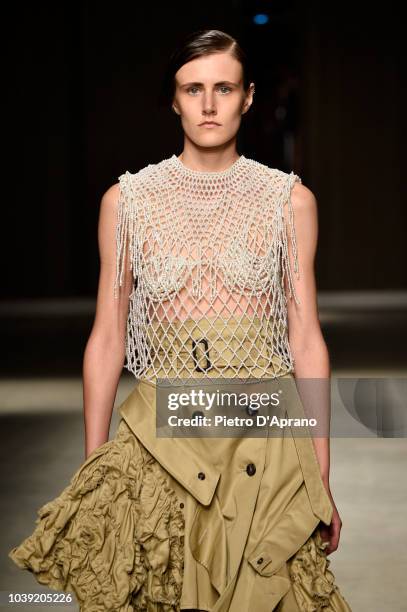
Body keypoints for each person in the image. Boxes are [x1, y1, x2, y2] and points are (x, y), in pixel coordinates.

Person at [8, 29, 353, 612]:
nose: (209, 104)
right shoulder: (129, 201)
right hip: (160, 441)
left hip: (263, 436)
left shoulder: (288, 202)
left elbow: (306, 338)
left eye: (224, 88)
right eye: (193, 89)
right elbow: (108, 335)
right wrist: (95, 463)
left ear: (248, 97)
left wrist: (319, 472)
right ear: (174, 99)